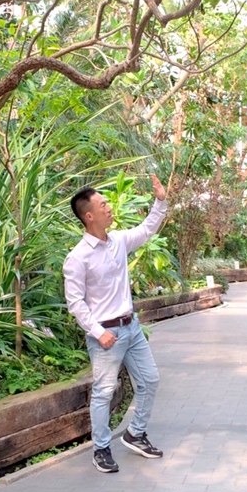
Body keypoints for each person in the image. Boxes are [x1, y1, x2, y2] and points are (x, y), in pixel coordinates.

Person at [63, 175, 169, 473]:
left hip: (132, 328)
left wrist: (160, 201)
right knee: (104, 393)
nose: (109, 207)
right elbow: (76, 303)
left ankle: (135, 433)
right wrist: (99, 333)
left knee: (150, 380)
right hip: (106, 334)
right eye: (103, 204)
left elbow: (147, 230)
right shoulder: (77, 258)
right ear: (89, 215)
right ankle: (101, 449)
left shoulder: (119, 240)